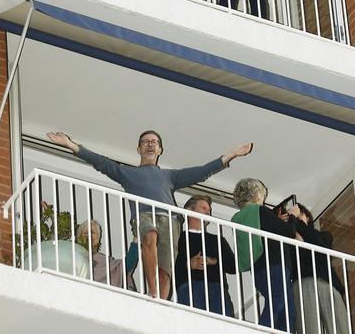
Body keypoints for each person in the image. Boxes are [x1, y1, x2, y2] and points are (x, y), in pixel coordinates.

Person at [46, 129, 252, 301]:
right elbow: (101, 162)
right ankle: (152, 292)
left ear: (160, 149)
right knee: (150, 236)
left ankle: (159, 302)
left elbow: (201, 171)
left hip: (170, 221)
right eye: (145, 142)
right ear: (139, 148)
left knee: (165, 270)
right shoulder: (127, 173)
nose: (150, 145)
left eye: (154, 142)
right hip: (144, 215)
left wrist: (231, 154)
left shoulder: (169, 175)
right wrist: (71, 145)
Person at [232, 178, 297, 332]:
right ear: (256, 194)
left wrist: (277, 221)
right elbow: (289, 232)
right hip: (274, 264)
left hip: (257, 268)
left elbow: (262, 232)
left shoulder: (238, 218)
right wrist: (293, 216)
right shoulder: (260, 210)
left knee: (287, 310)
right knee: (279, 304)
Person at [286, 203, 349, 334]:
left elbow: (322, 247)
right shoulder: (286, 242)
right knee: (309, 327)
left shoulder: (323, 235)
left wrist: (300, 224)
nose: (296, 216)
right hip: (302, 284)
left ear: (308, 218)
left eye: (300, 214)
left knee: (339, 326)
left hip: (326, 283)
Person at [175, 195, 236, 316]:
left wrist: (215, 261)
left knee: (224, 326)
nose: (208, 212)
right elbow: (170, 266)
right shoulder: (178, 238)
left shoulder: (218, 240)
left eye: (209, 210)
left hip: (217, 287)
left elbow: (233, 267)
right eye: (203, 208)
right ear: (189, 211)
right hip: (190, 286)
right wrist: (188, 264)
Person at [77, 219, 126, 287]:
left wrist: (136, 239)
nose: (89, 235)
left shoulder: (107, 262)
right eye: (85, 233)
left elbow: (125, 266)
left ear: (98, 237)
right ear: (79, 237)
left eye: (92, 232)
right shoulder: (74, 256)